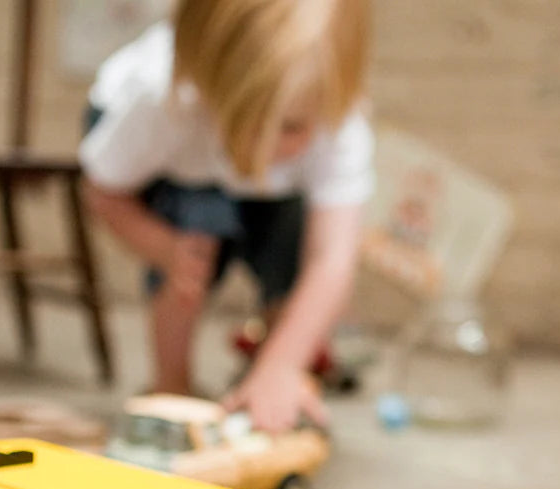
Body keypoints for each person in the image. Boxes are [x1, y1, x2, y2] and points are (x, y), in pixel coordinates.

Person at [80, 0, 374, 433]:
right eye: (250, 122)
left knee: (293, 245)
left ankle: (278, 370)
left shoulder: (337, 117)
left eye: (292, 128)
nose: (270, 147)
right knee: (194, 238)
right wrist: (163, 249)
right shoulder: (160, 99)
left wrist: (283, 364)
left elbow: (332, 258)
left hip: (261, 180)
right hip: (171, 165)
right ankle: (171, 384)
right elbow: (104, 192)